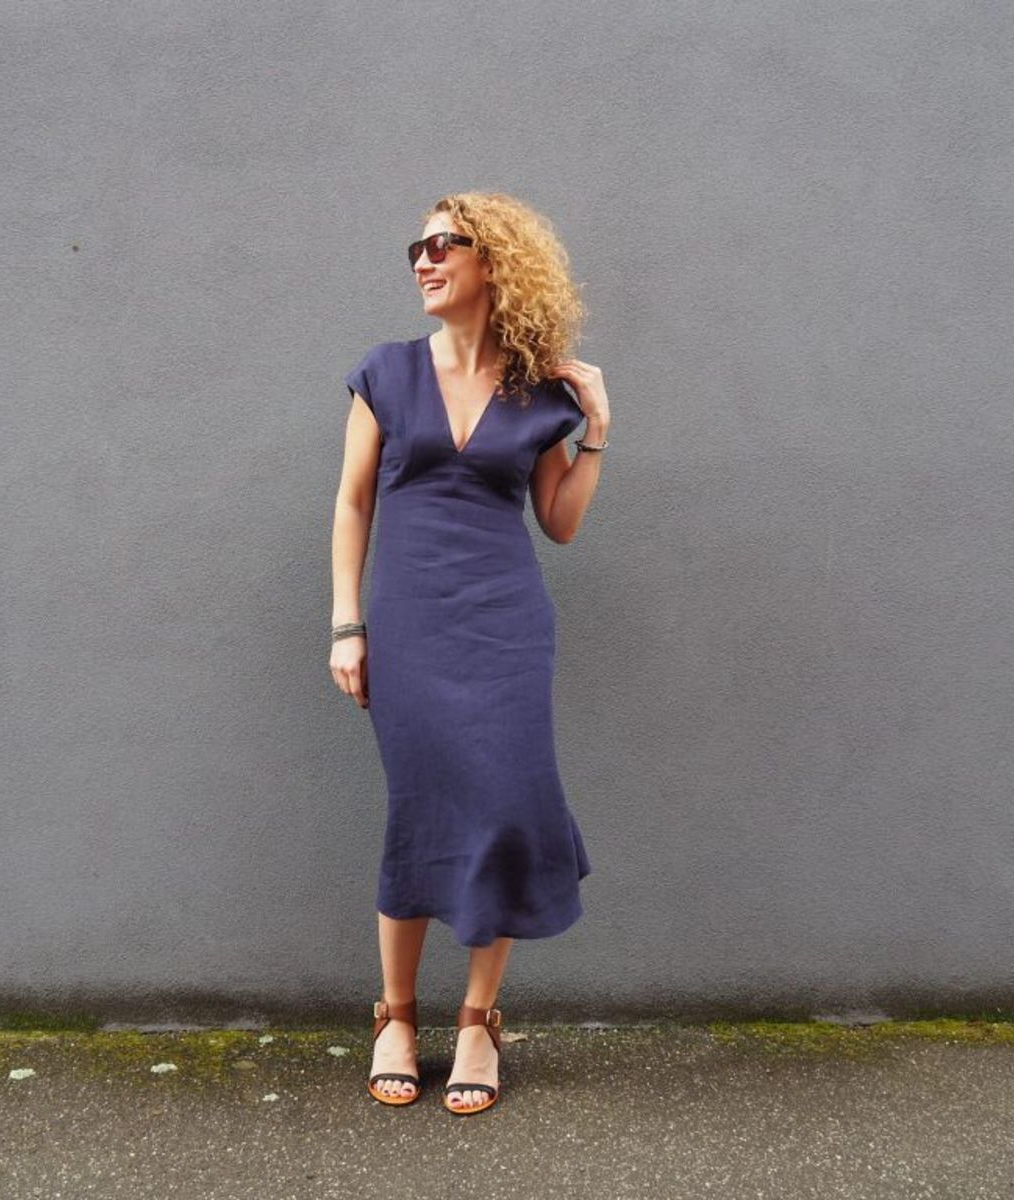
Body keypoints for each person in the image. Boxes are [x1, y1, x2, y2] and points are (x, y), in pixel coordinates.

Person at [329, 191, 610, 1115]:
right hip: (409, 623)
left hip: (506, 627)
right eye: (416, 247)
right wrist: (346, 624)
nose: (423, 260)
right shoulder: (385, 372)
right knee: (419, 808)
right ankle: (396, 1015)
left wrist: (596, 433)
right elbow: (354, 503)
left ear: (494, 261)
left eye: (443, 245)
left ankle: (480, 1020)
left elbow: (559, 524)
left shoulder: (537, 394)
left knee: (508, 806)